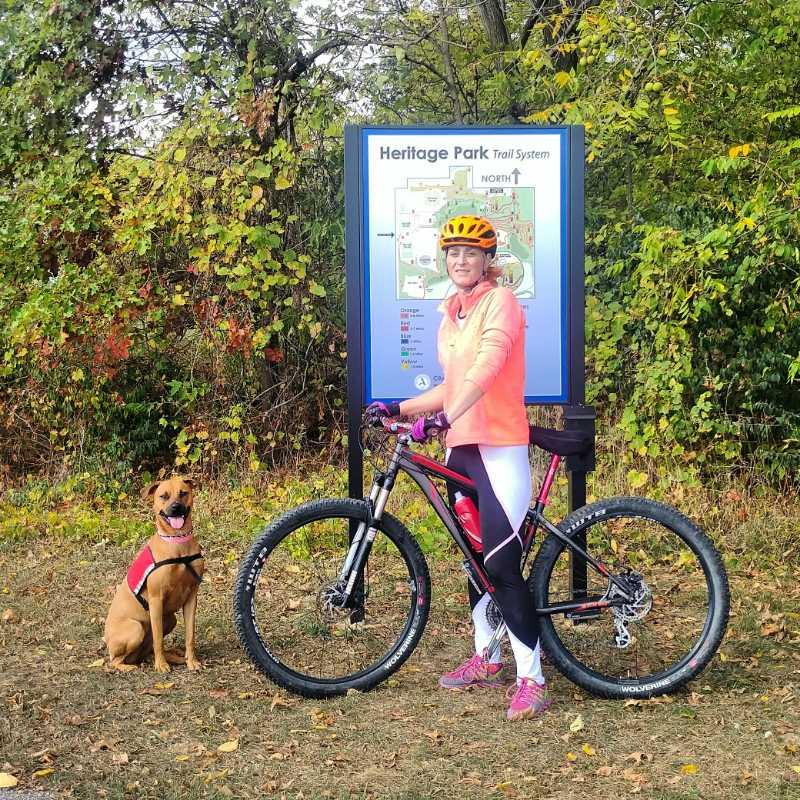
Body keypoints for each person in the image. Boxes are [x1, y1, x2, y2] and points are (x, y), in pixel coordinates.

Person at [367, 214, 551, 721]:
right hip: (462, 448)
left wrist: (448, 415)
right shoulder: (453, 314)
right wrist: (400, 409)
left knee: (500, 564)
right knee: (474, 559)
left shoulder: (502, 303)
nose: (461, 260)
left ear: (488, 259)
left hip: (498, 447)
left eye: (471, 253)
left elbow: (487, 370)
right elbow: (454, 383)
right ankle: (487, 655)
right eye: (453, 253)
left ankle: (532, 678)